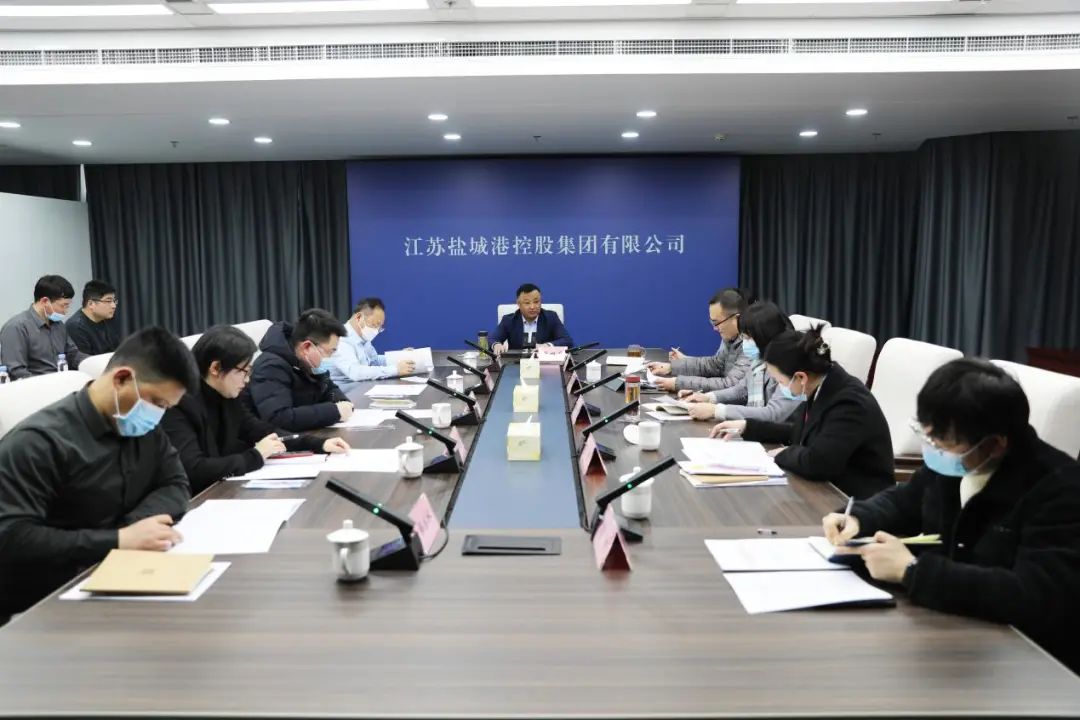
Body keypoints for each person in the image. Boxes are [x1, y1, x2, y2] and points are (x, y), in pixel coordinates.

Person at [824, 359, 1080, 673]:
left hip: (1021, 662)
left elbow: (1035, 595)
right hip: (949, 630)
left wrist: (912, 571)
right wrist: (859, 517)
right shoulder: (957, 460)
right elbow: (906, 500)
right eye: (927, 436)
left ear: (995, 444)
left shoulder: (1060, 489)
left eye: (942, 443)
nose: (933, 449)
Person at [0, 327, 198, 622]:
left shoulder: (141, 426)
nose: (159, 415)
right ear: (121, 378)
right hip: (47, 604)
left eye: (166, 407)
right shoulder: (39, 442)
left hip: (120, 574)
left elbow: (176, 484)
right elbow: (12, 538)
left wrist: (133, 529)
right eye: (157, 403)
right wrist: (117, 539)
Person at [163, 325, 350, 494]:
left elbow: (259, 430)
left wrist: (318, 444)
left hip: (223, 488)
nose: (246, 381)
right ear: (215, 367)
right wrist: (256, 455)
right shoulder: (177, 402)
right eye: (243, 371)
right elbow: (195, 470)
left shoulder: (227, 394)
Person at [711, 326, 893, 499]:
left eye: (780, 381)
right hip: (825, 489)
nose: (781, 387)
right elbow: (801, 432)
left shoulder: (849, 403)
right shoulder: (822, 384)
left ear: (801, 377)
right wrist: (747, 427)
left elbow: (819, 462)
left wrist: (782, 454)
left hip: (855, 501)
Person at [678, 301, 801, 424]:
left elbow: (773, 414)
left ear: (764, 336)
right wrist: (708, 397)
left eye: (748, 337)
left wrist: (717, 410)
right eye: (743, 337)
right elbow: (741, 390)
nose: (745, 342)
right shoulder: (759, 361)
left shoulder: (789, 365)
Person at [244, 308, 353, 432]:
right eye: (329, 352)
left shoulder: (308, 363)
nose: (330, 358)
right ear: (307, 346)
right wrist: (334, 411)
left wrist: (342, 402)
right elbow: (279, 418)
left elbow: (328, 387)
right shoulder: (270, 367)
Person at [647, 287, 751, 393]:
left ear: (736, 318)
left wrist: (677, 383)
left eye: (717, 323)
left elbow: (730, 385)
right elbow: (714, 365)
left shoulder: (751, 344)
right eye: (712, 322)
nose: (715, 328)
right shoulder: (730, 336)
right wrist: (670, 368)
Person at [0, 274, 86, 379]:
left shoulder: (58, 325)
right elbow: (16, 371)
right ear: (45, 301)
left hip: (62, 381)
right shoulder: (16, 327)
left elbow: (73, 354)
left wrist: (94, 362)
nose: (66, 311)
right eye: (63, 305)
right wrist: (45, 384)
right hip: (36, 385)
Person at [329, 298, 415, 394]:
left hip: (363, 389)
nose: (376, 331)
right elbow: (356, 372)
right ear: (359, 317)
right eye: (374, 325)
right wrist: (395, 370)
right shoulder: (341, 339)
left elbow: (374, 361)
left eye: (379, 327)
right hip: (347, 395)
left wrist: (399, 356)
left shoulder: (362, 336)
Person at [490, 283, 572, 353]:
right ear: (518, 304)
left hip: (544, 363)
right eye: (527, 303)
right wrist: (496, 345)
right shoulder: (509, 320)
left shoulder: (551, 317)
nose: (532, 307)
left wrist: (548, 345)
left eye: (536, 302)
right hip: (516, 363)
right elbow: (493, 339)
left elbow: (567, 340)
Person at [64, 280, 121, 357]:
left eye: (114, 301)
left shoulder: (107, 317)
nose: (113, 306)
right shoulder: (75, 326)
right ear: (91, 304)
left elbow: (117, 350)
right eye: (108, 301)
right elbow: (85, 360)